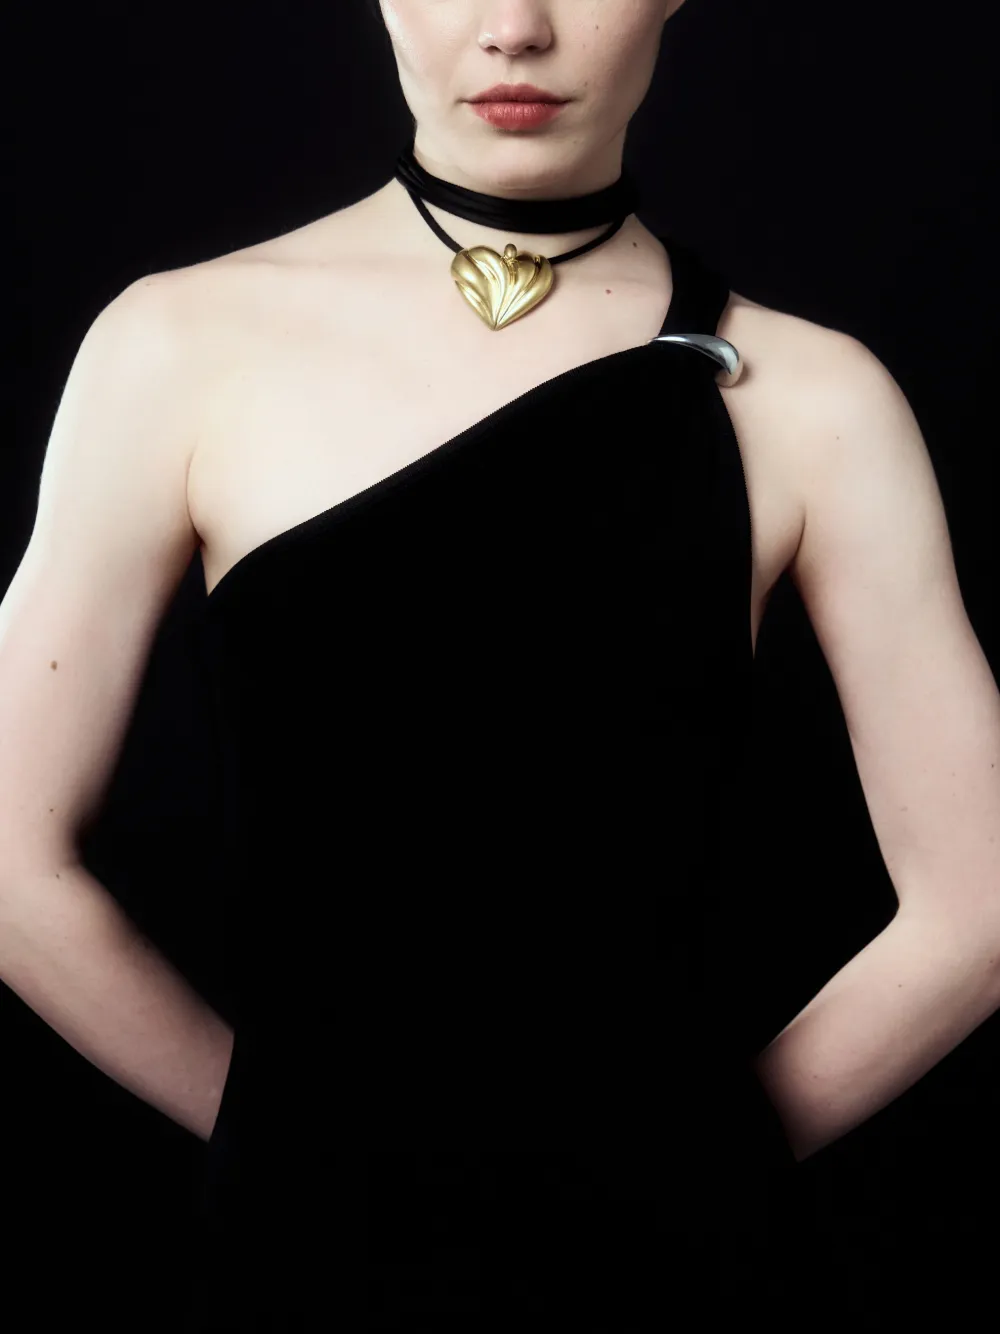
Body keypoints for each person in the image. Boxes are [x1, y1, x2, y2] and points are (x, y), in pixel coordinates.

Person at [12, 0, 975, 1327]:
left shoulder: (813, 394)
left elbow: (980, 909)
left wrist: (700, 1168)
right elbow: (5, 858)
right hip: (303, 1266)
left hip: (678, 1279)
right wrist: (288, 1147)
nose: (515, 28)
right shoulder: (175, 345)